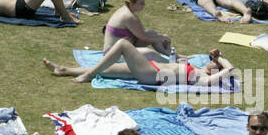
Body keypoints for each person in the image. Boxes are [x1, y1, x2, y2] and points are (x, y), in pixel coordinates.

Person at [45, 44, 236, 90]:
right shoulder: (197, 67)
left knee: (122, 45)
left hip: (151, 74)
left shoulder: (203, 78)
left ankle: (88, 75)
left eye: (215, 63)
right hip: (150, 67)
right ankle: (64, 70)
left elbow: (231, 69)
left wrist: (223, 58)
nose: (211, 60)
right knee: (108, 70)